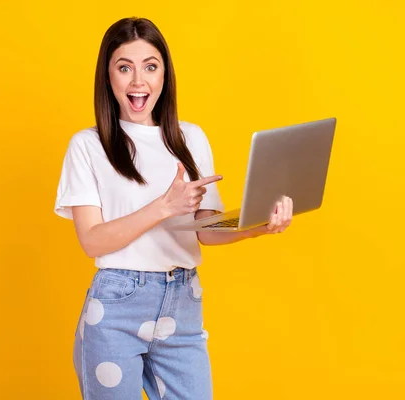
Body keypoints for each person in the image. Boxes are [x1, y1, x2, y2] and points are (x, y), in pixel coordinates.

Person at [54, 17, 293, 400]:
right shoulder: (88, 146)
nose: (138, 81)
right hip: (116, 305)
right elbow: (93, 241)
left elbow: (206, 232)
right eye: (124, 67)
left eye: (150, 66)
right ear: (108, 76)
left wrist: (260, 225)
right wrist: (163, 207)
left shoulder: (190, 139)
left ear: (164, 75)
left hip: (182, 300)